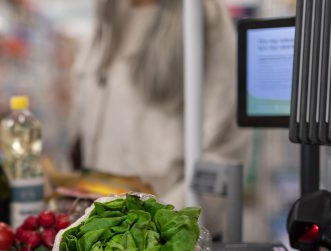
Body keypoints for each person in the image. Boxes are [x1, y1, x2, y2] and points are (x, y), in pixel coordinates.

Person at [70, 0, 249, 236]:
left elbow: (224, 148)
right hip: (104, 232)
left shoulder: (201, 14)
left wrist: (158, 228)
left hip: (166, 239)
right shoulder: (108, 16)